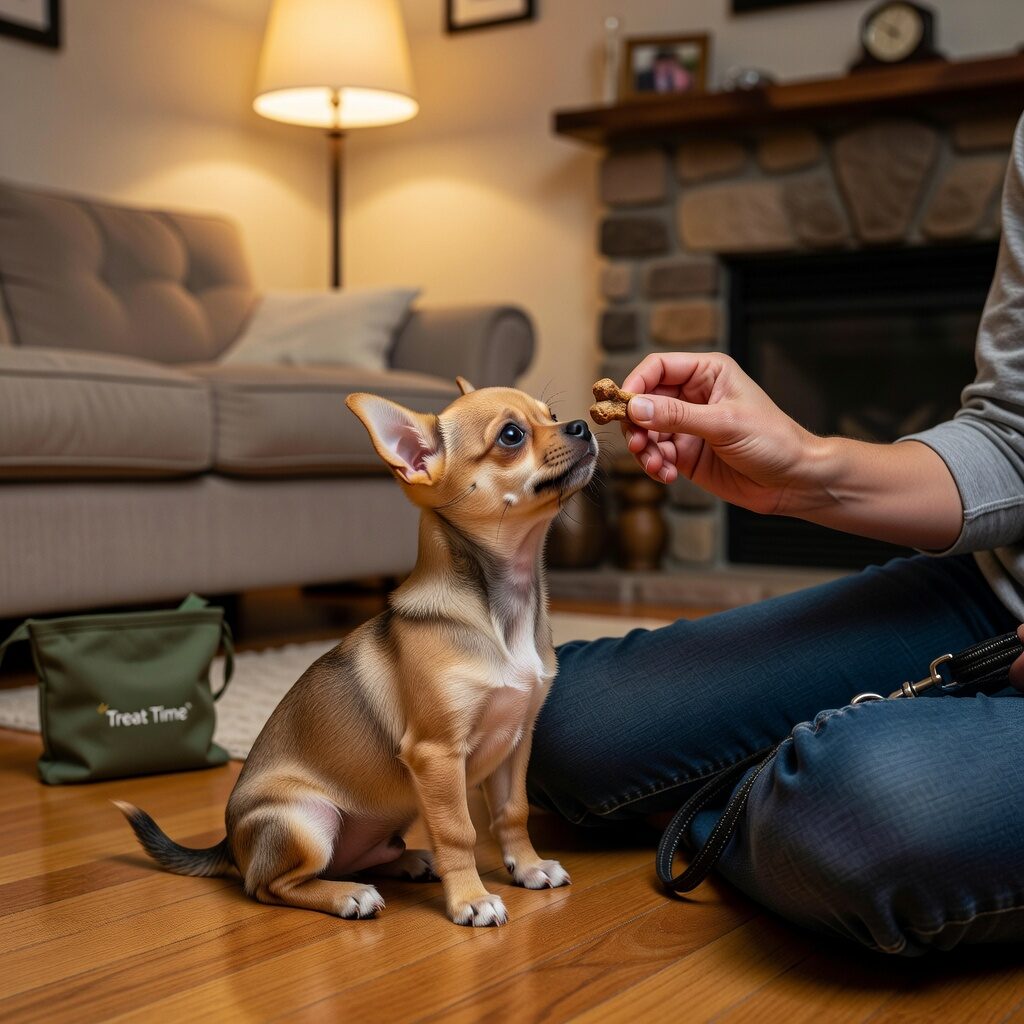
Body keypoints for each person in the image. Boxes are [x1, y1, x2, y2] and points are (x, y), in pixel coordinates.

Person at [527, 115, 1024, 956]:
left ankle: (785, 809)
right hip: (993, 596)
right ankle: (781, 815)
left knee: (855, 807)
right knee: (557, 717)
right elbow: (1014, 438)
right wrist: (804, 470)